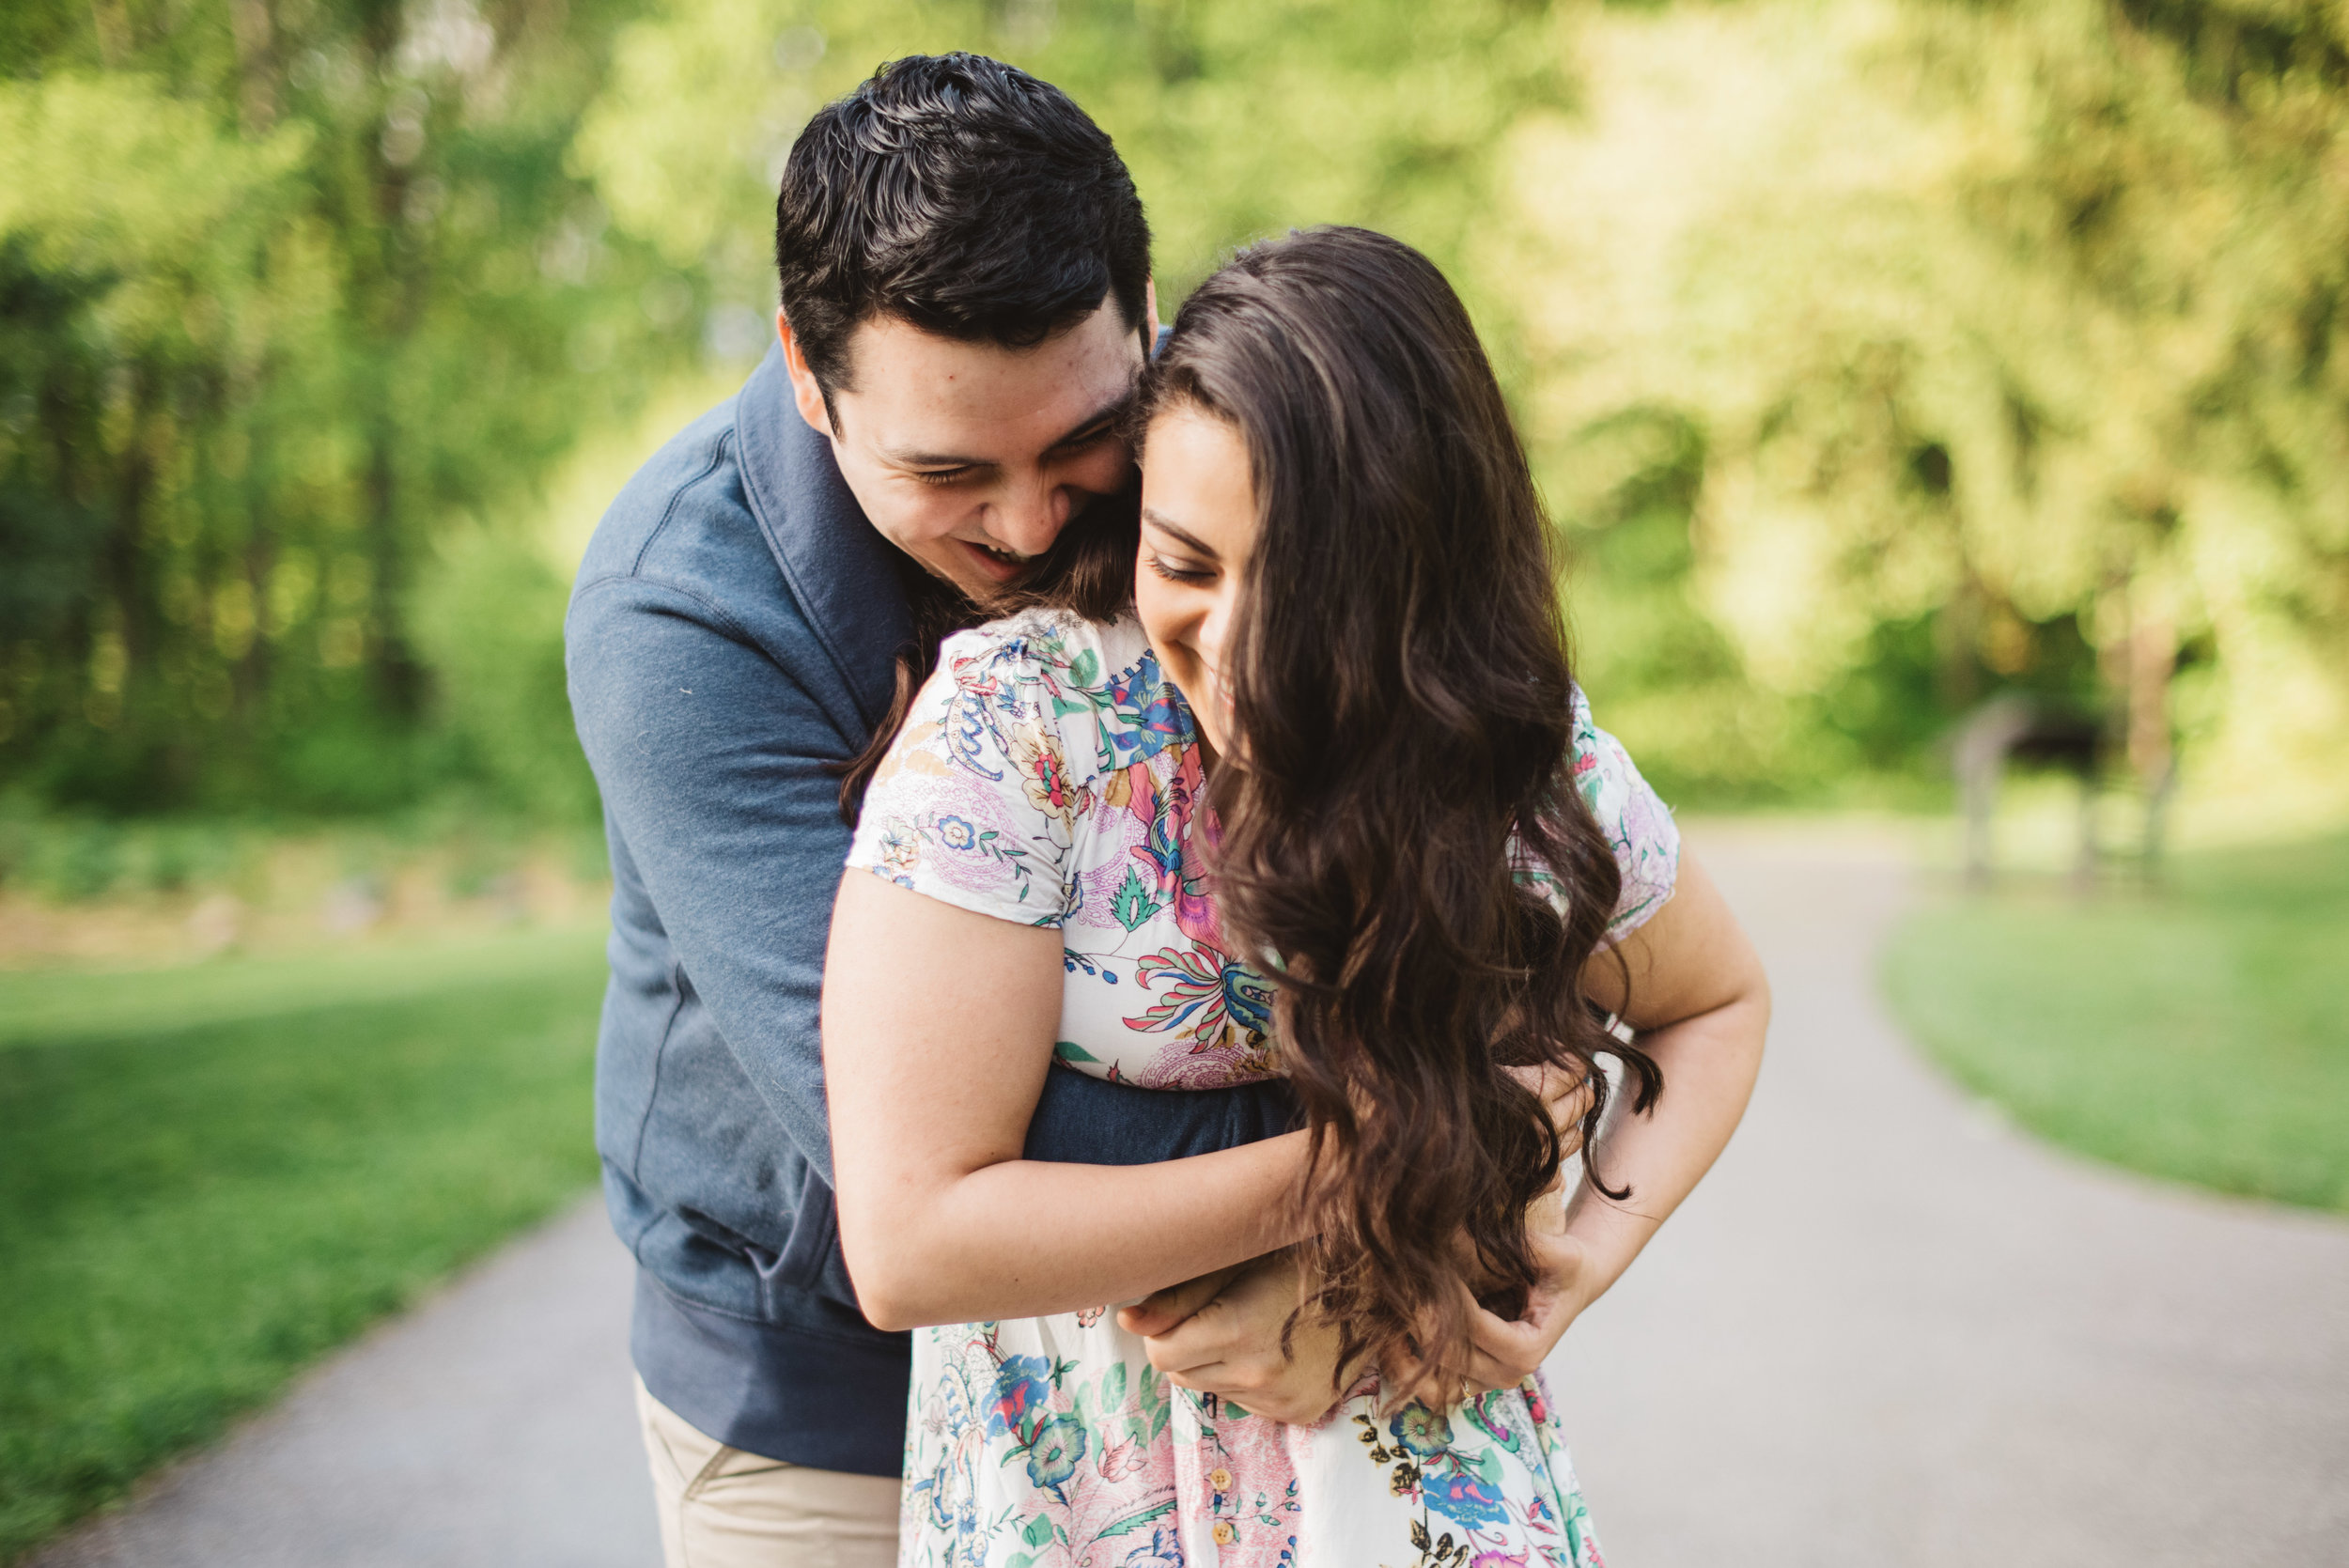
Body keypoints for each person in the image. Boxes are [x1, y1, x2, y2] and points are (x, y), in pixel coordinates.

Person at [568, 55, 1593, 1567]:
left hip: (1233, 1362)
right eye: (948, 470)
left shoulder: (1214, 450)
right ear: (804, 368)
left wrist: (1502, 1080)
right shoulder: (681, 617)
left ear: (1143, 310)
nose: (1036, 522)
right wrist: (1422, 1146)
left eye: (1075, 446)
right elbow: (916, 1148)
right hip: (824, 1392)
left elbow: (1484, 821)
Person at [821, 227, 1770, 1566]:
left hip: (1434, 1486)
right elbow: (911, 1238)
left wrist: (1569, 1275)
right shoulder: (1021, 729)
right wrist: (1371, 1173)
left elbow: (1715, 1001)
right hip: (1094, 1502)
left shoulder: (1497, 750)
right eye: (1186, 563)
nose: (1239, 651)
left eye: (1309, 595)